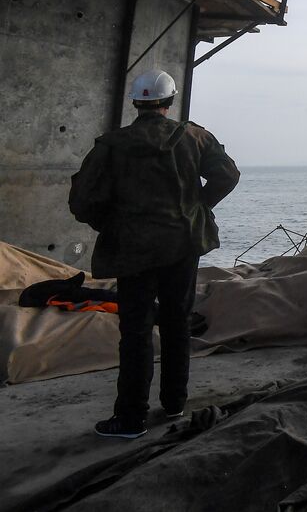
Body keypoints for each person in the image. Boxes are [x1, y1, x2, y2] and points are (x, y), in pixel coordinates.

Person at [68, 69, 240, 439]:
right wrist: (197, 209)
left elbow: (82, 201)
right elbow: (227, 174)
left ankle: (131, 419)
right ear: (169, 101)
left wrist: (111, 225)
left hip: (132, 250)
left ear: (136, 102)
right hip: (182, 245)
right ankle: (175, 403)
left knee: (136, 331)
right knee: (178, 322)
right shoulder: (193, 137)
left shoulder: (112, 145)